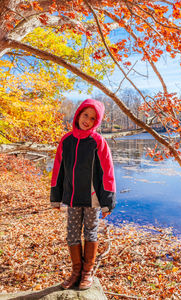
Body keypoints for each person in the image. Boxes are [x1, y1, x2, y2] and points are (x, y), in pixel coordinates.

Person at [50, 98, 116, 290]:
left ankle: (87, 272)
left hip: (92, 199)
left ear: (97, 122)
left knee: (90, 232)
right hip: (71, 197)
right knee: (72, 233)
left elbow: (107, 172)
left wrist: (108, 202)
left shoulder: (98, 142)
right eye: (85, 114)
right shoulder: (66, 140)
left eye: (92, 118)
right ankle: (76, 272)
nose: (87, 120)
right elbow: (58, 169)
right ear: (78, 114)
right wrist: (56, 196)